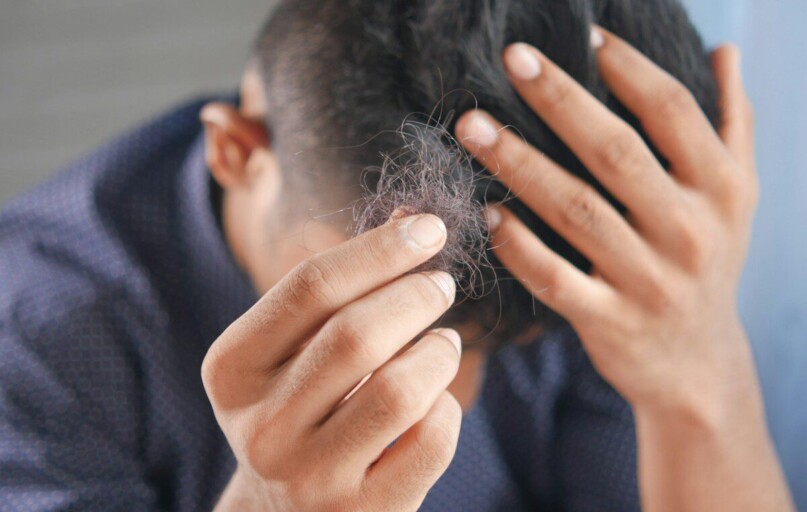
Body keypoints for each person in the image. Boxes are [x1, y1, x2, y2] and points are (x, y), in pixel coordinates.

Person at [0, 1, 795, 511]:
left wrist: (699, 376)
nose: (437, 406)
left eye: (501, 343)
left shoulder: (590, 272)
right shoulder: (29, 341)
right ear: (237, 152)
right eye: (380, 298)